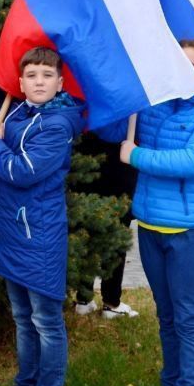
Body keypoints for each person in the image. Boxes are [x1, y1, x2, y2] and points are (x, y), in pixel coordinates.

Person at [97, 39, 194, 386]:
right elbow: (108, 126)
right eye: (181, 65)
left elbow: (192, 162)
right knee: (168, 317)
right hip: (153, 228)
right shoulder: (153, 104)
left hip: (193, 234)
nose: (188, 72)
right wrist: (128, 89)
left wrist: (135, 156)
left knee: (190, 319)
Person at [0, 47, 84, 386]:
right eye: (32, 76)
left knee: (46, 322)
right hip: (13, 232)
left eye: (46, 75)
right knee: (24, 319)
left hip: (38, 233)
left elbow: (21, 172)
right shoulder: (19, 112)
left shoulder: (57, 125)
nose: (38, 82)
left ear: (59, 83)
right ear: (19, 83)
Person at [72, 132, 139, 318]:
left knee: (86, 227)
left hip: (86, 145)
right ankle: (111, 301)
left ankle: (84, 298)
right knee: (116, 230)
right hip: (120, 150)